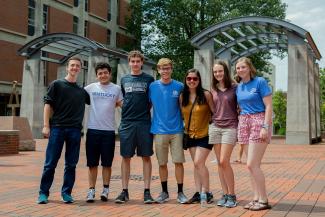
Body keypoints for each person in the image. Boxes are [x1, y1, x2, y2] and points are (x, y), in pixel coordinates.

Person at [37, 56, 90, 204]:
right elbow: (48, 105)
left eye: (77, 66)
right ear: (67, 67)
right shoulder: (57, 85)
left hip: (74, 131)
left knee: (71, 164)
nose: (74, 68)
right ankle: (43, 193)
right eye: (72, 65)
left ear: (80, 69)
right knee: (50, 163)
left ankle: (66, 193)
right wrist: (46, 125)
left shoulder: (81, 91)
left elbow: (98, 101)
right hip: (58, 129)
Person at [115, 50, 155, 204]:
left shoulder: (149, 79)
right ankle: (124, 191)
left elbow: (151, 100)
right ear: (129, 62)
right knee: (126, 157)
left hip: (144, 123)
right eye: (133, 61)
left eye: (138, 61)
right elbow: (121, 99)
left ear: (142, 62)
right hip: (127, 123)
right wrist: (125, 107)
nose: (135, 64)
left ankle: (147, 191)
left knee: (146, 156)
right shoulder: (124, 79)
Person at [235, 57, 272, 211]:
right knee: (250, 167)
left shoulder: (260, 82)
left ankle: (264, 200)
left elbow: (269, 105)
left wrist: (265, 126)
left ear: (250, 68)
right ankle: (256, 198)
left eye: (243, 67)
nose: (240, 70)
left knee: (252, 164)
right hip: (244, 122)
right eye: (238, 68)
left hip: (258, 120)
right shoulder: (239, 86)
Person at [149, 58, 188, 204]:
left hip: (177, 130)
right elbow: (147, 106)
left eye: (167, 68)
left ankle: (180, 192)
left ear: (171, 69)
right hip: (159, 131)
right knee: (162, 163)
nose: (165, 71)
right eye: (162, 68)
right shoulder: (152, 86)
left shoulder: (179, 86)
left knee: (178, 162)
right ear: (158, 70)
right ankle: (164, 192)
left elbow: (184, 108)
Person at [84, 63, 123, 202]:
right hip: (93, 130)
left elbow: (122, 105)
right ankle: (91, 190)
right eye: (100, 73)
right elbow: (76, 99)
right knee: (92, 163)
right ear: (96, 75)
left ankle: (105, 190)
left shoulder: (117, 89)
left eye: (105, 72)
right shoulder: (90, 88)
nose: (103, 75)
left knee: (107, 163)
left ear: (110, 73)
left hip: (108, 132)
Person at [180, 69, 214, 205]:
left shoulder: (206, 95)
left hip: (205, 134)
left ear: (199, 80)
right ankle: (198, 192)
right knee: (197, 165)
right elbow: (181, 114)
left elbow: (215, 112)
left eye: (195, 79)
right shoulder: (182, 96)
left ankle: (206, 192)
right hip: (190, 135)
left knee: (198, 163)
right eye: (189, 79)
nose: (192, 81)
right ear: (186, 80)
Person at [209, 60, 238, 208]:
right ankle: (225, 194)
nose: (218, 74)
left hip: (230, 127)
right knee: (219, 164)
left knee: (224, 161)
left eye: (220, 71)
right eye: (215, 72)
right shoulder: (212, 89)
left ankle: (232, 195)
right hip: (215, 127)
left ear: (225, 71)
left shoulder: (235, 88)